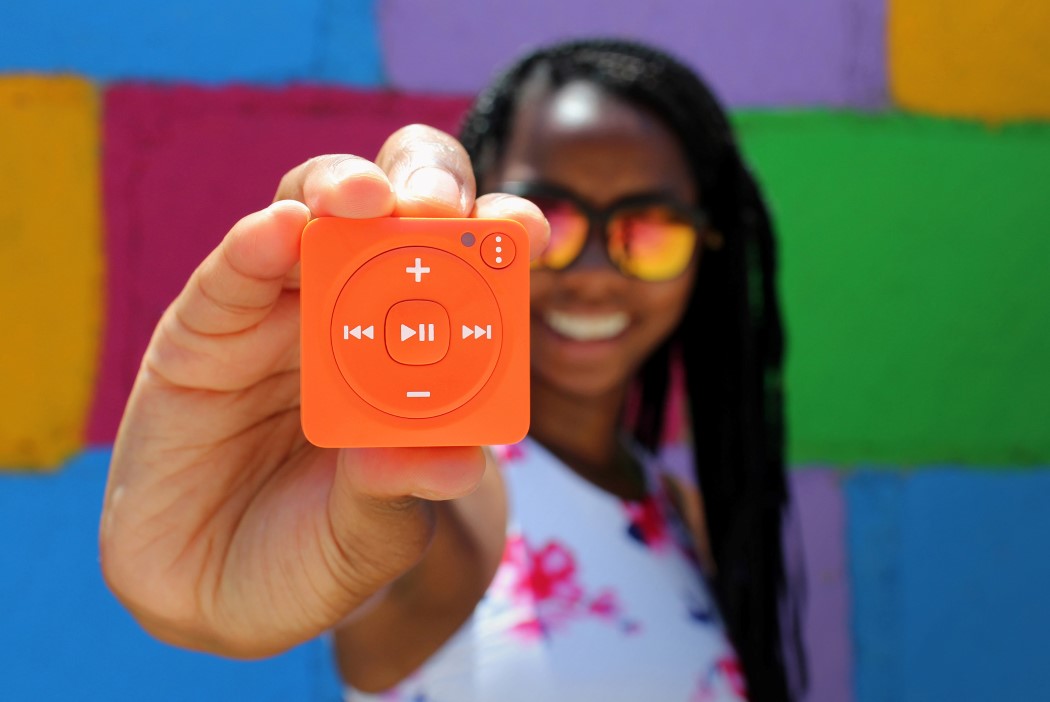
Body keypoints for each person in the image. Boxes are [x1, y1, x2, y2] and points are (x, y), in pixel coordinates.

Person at [100, 39, 805, 701]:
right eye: (549, 219)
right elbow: (376, 539)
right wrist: (198, 585)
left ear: (708, 249)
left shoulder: (683, 514)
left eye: (649, 230)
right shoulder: (442, 486)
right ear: (473, 222)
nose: (594, 275)